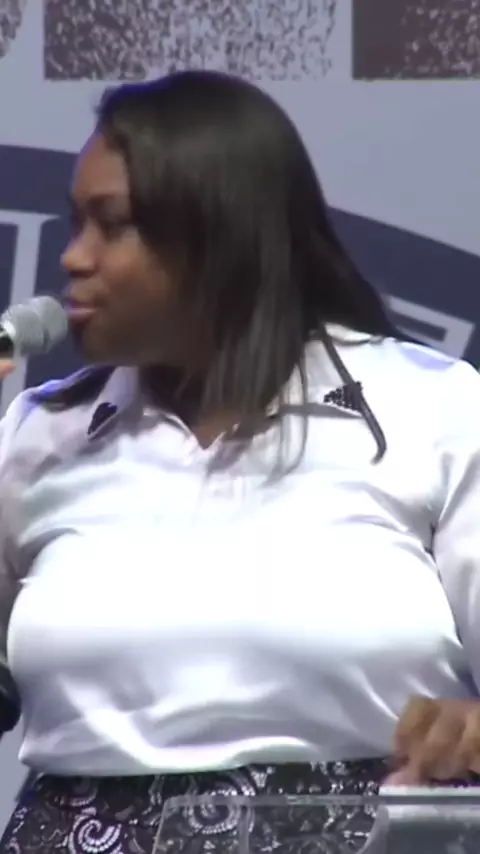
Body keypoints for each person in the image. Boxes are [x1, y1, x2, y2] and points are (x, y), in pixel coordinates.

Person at [0, 69, 479, 854]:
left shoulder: (432, 407)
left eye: (111, 226)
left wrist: (469, 730)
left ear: (218, 238)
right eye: (75, 223)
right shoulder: (39, 434)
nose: (73, 259)